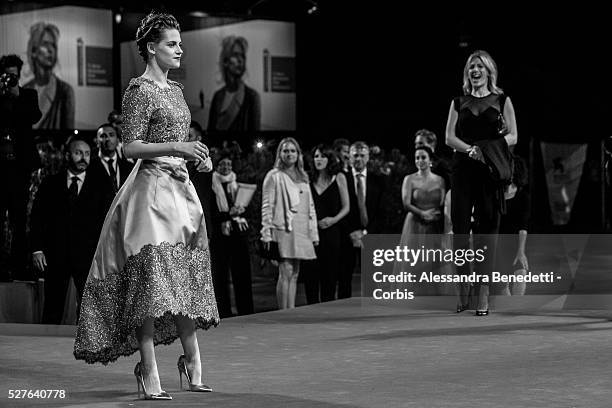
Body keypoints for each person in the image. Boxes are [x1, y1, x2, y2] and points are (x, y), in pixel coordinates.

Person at [73, 12, 219, 400]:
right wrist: (178, 148)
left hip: (180, 191)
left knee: (184, 276)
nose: (179, 49)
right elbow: (131, 146)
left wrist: (197, 157)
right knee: (151, 282)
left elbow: (180, 142)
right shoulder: (139, 89)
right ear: (152, 47)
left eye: (180, 43)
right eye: (172, 43)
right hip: (150, 193)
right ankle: (148, 369)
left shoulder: (176, 91)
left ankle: (192, 364)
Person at [445, 50, 518, 316]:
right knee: (461, 233)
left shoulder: (502, 99)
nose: (475, 70)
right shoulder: (457, 102)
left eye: (480, 66)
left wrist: (485, 149)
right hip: (463, 172)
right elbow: (449, 138)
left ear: (489, 71)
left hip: (489, 173)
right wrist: (469, 150)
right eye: (471, 67)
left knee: (488, 233)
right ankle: (465, 286)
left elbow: (513, 137)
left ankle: (484, 291)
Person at [30, 136, 112, 323]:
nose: (83, 158)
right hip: (55, 254)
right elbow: (37, 218)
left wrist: (105, 253)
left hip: (88, 255)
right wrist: (37, 249)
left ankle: (88, 345)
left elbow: (108, 222)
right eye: (77, 153)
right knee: (52, 306)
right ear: (67, 155)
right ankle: (47, 344)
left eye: (87, 154)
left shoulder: (101, 186)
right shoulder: (50, 183)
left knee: (89, 307)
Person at [261, 137, 318, 309]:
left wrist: (313, 232)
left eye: (293, 150)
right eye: (286, 150)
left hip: (302, 229)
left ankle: (291, 310)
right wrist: (266, 232)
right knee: (285, 272)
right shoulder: (273, 176)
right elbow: (267, 205)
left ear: (298, 154)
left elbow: (311, 207)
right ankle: (283, 312)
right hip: (284, 228)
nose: (289, 154)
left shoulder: (303, 175)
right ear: (280, 154)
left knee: (295, 273)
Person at [0, 54, 41, 281]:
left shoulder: (28, 95)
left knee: (18, 219)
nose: (10, 79)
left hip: (20, 168)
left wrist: (16, 97)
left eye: (14, 76)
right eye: (6, 75)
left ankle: (18, 267)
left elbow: (34, 116)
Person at [393, 146, 447, 295]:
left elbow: (443, 203)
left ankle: (433, 295)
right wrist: (422, 213)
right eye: (417, 158)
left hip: (434, 224)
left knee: (434, 260)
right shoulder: (409, 179)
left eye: (423, 157)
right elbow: (406, 203)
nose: (420, 161)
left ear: (430, 160)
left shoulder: (440, 180)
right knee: (413, 260)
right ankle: (413, 294)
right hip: (414, 223)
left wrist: (435, 214)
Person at [209, 151, 254, 316]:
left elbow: (248, 210)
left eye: (229, 164)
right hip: (220, 236)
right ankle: (224, 312)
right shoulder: (212, 185)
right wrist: (229, 214)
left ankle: (246, 310)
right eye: (222, 164)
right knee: (220, 276)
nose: (226, 167)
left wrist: (242, 210)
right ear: (217, 166)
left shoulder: (237, 183)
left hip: (238, 234)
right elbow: (212, 213)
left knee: (242, 273)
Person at [305, 145, 349, 303]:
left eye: (322, 156)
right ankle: (310, 312)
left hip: (332, 232)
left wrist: (332, 220)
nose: (318, 159)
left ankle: (326, 314)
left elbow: (346, 207)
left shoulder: (339, 177)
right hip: (311, 233)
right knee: (311, 276)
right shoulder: (308, 178)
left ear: (329, 159)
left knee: (329, 276)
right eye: (316, 156)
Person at [341, 141, 386, 298]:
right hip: (348, 236)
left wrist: (367, 233)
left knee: (373, 277)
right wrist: (352, 232)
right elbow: (339, 208)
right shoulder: (342, 179)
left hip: (371, 235)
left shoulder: (379, 180)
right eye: (355, 155)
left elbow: (382, 211)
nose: (358, 159)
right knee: (344, 277)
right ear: (349, 158)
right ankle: (342, 310)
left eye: (362, 155)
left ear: (368, 158)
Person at [24, 22, 75, 130]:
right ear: (33, 51)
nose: (51, 50)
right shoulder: (24, 90)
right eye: (45, 44)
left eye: (53, 45)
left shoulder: (65, 91)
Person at [208, 36, 260, 132]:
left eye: (243, 56)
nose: (240, 60)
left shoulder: (252, 97)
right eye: (235, 55)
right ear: (225, 61)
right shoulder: (218, 96)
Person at [495, 154, 530, 296]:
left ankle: (516, 309)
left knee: (521, 272)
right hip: (497, 243)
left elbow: (523, 226)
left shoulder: (523, 195)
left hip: (516, 243)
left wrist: (521, 251)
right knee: (502, 285)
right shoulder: (495, 193)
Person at [90, 123, 134, 194]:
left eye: (111, 135)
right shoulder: (89, 166)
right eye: (103, 136)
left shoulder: (129, 167)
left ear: (117, 140)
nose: (108, 139)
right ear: (97, 141)